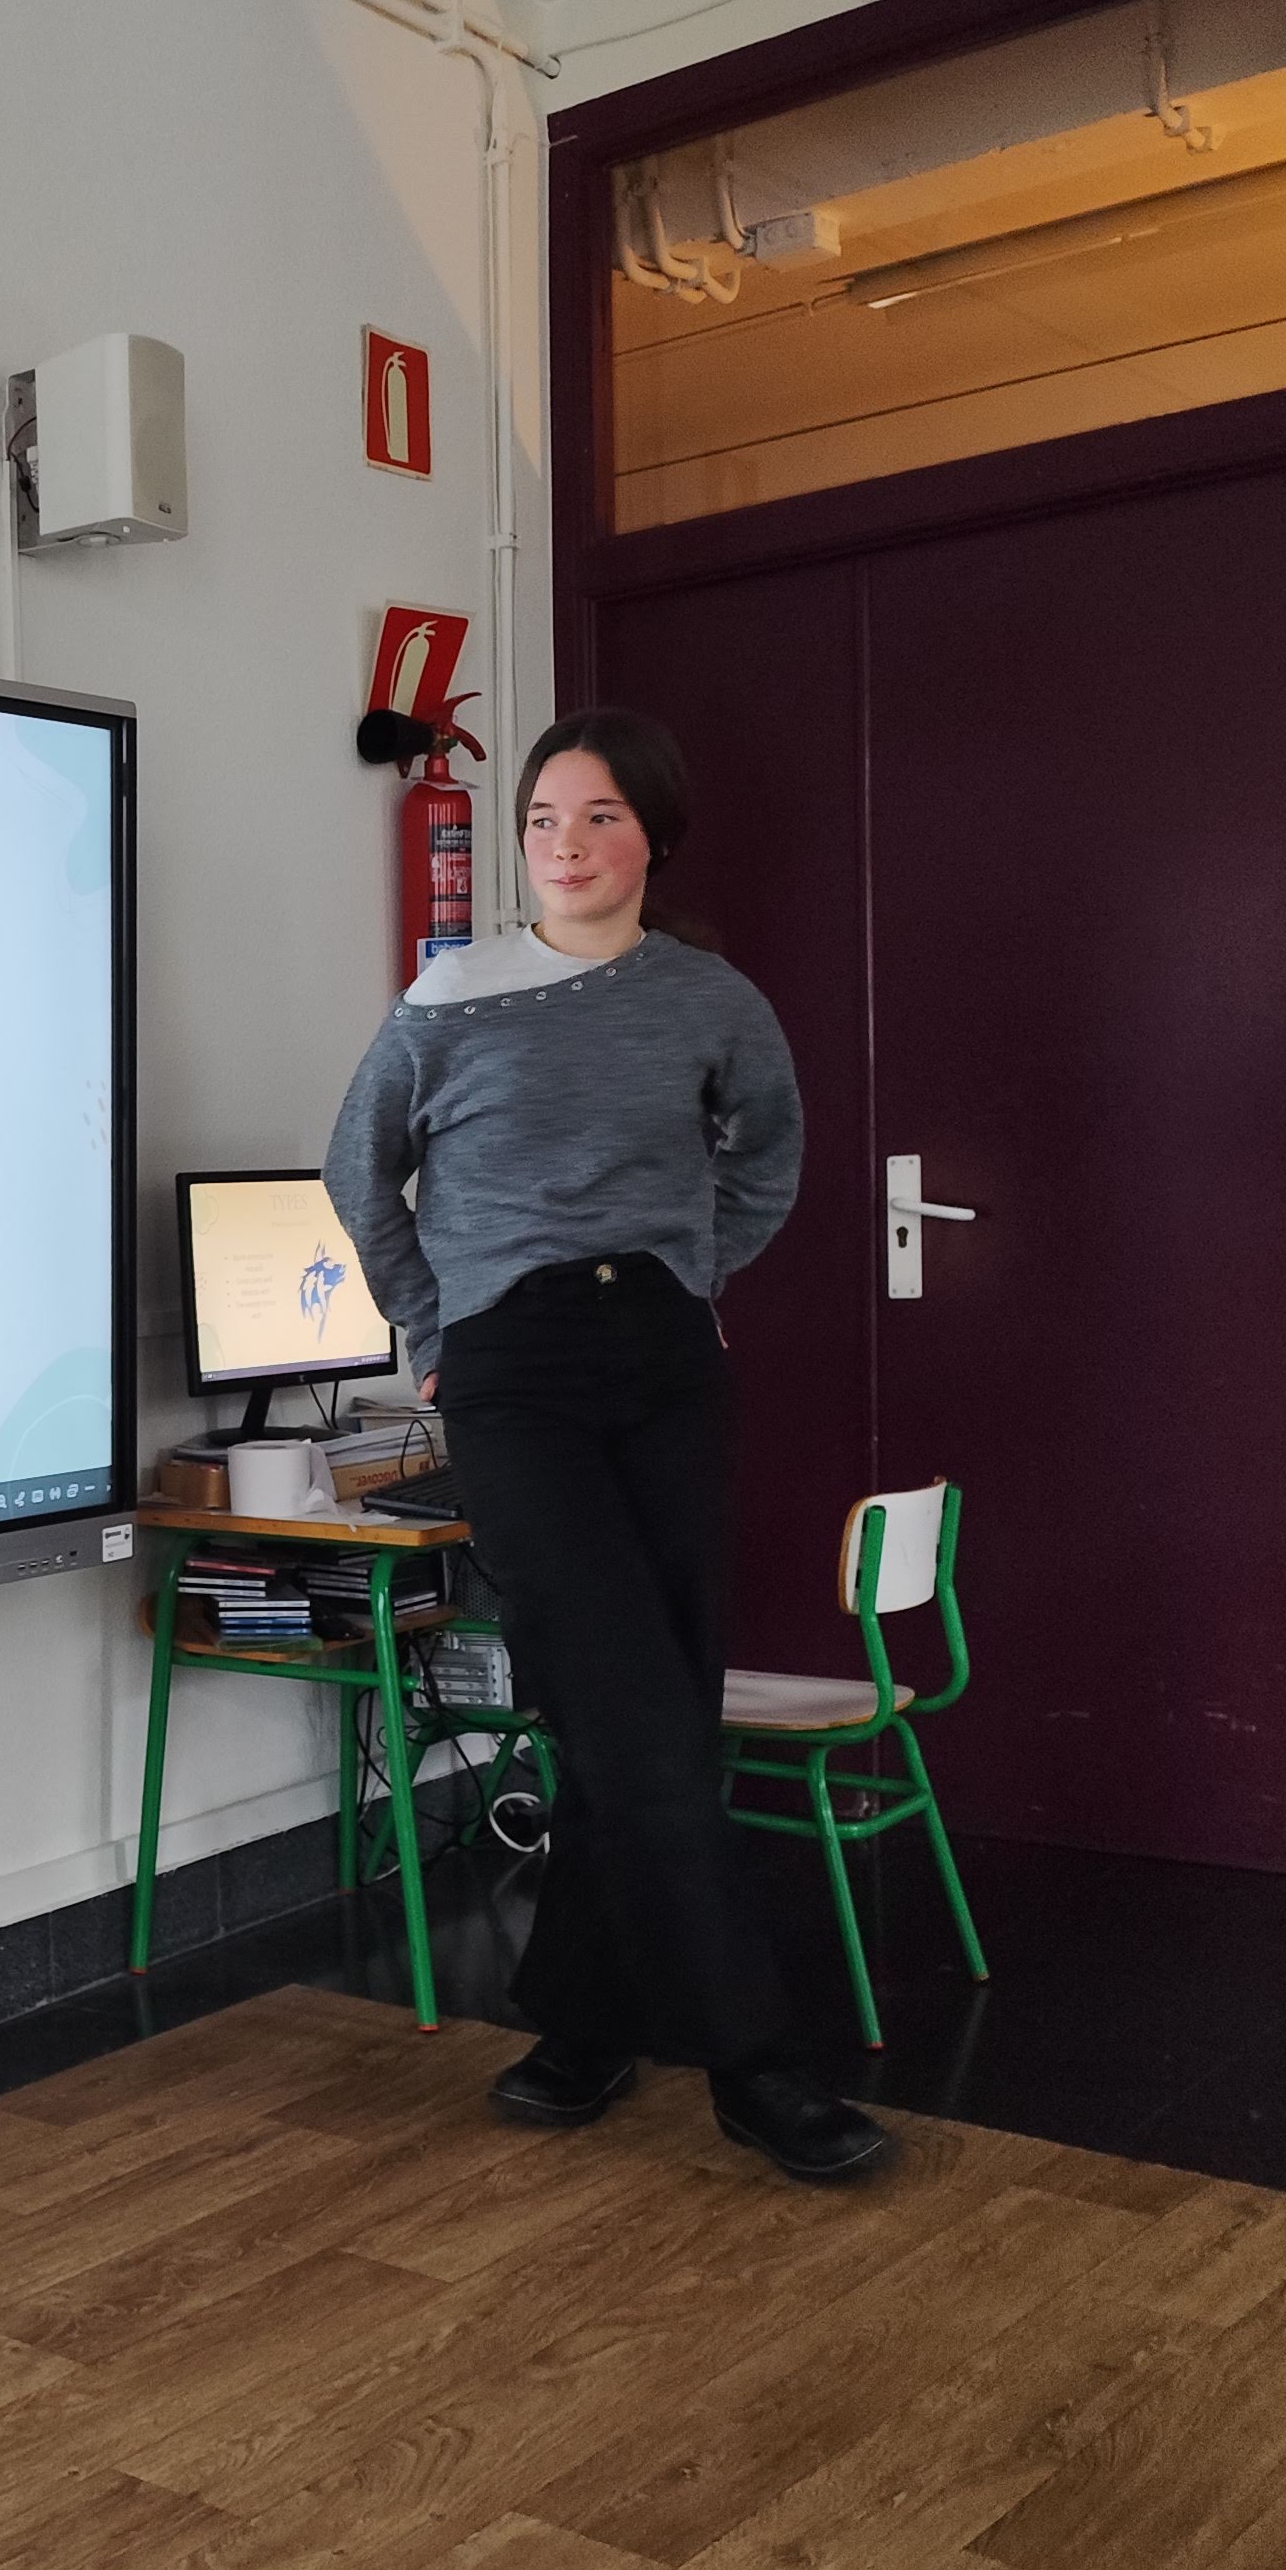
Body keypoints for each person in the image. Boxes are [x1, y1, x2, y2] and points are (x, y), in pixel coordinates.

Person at [322, 707, 892, 2183]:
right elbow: (358, 1170)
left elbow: (767, 1156)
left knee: (647, 1707)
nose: (566, 847)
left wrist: (692, 1277)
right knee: (632, 1707)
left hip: (663, 1361)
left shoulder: (710, 999)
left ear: (653, 839)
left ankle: (584, 2023)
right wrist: (432, 1326)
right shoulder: (450, 996)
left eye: (600, 818)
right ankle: (757, 2065)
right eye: (543, 820)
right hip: (510, 1375)